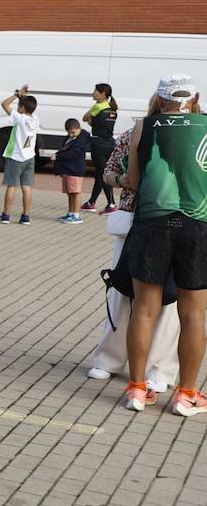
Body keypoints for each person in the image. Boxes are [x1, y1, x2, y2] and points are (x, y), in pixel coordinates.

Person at [122, 74, 207, 417]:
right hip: (198, 224)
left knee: (144, 308)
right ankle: (186, 394)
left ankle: (137, 390)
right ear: (195, 96)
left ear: (160, 97)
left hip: (152, 222)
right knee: (194, 313)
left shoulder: (143, 127)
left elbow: (132, 181)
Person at [87, 111, 180, 391]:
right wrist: (123, 180)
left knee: (170, 300)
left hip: (175, 224)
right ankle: (109, 359)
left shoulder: (190, 137)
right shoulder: (132, 135)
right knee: (122, 292)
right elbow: (109, 171)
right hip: (133, 222)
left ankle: (160, 370)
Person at [0, 86, 40, 225]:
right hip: (29, 156)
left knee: (12, 186)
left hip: (16, 156)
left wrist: (17, 94)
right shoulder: (35, 120)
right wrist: (23, 98)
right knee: (26, 187)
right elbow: (25, 108)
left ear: (21, 107)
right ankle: (26, 216)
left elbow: (4, 104)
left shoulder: (19, 118)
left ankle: (6, 215)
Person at [83, 83, 119, 214]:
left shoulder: (98, 106)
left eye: (96, 91)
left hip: (98, 145)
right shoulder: (112, 108)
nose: (93, 93)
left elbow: (85, 117)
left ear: (103, 94)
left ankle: (111, 204)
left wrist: (90, 119)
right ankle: (91, 202)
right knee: (100, 174)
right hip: (110, 144)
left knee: (102, 174)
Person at [54, 118, 92, 224]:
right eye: (69, 132)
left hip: (75, 169)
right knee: (70, 193)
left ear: (78, 128)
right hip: (67, 169)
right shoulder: (71, 138)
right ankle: (70, 212)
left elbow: (74, 153)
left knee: (75, 192)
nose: (71, 134)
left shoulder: (81, 139)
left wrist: (60, 156)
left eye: (73, 132)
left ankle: (76, 214)